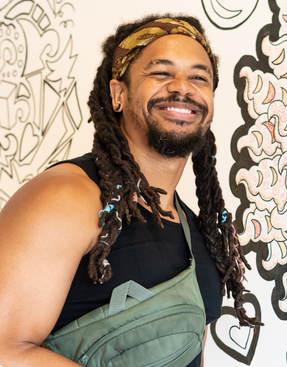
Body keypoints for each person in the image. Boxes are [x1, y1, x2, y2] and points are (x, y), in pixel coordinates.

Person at [0, 14, 262, 367]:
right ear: (118, 94)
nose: (182, 87)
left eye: (199, 77)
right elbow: (5, 350)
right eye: (161, 73)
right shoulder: (65, 197)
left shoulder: (198, 231)